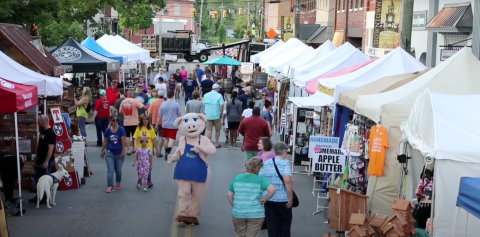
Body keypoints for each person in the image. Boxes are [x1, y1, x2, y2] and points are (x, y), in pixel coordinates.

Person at [227, 157, 276, 237]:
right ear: (259, 168)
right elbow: (272, 190)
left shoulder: (237, 178)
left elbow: (229, 195)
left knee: (239, 234)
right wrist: (265, 198)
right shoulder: (261, 180)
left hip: (239, 212)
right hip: (256, 213)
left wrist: (234, 204)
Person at [259, 142, 294, 237]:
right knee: (285, 225)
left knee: (272, 225)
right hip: (283, 200)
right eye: (286, 151)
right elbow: (287, 181)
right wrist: (290, 198)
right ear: (283, 151)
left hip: (269, 198)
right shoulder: (285, 163)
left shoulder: (267, 163)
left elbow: (260, 179)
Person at [29, 115, 56, 203]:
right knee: (37, 179)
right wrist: (37, 157)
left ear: (44, 122)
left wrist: (46, 161)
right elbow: (39, 144)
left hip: (46, 160)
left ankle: (45, 198)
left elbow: (50, 149)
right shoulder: (42, 131)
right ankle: (38, 196)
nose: (38, 124)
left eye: (39, 122)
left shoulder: (50, 133)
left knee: (44, 180)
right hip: (40, 159)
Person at [100, 115, 127, 193]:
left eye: (116, 120)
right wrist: (102, 151)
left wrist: (123, 151)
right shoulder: (108, 130)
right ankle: (110, 186)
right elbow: (105, 141)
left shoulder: (121, 130)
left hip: (119, 153)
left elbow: (123, 142)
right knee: (110, 169)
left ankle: (118, 182)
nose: (115, 121)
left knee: (118, 170)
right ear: (110, 121)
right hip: (109, 152)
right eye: (113, 120)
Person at [119, 90, 147, 155]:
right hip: (134, 121)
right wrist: (147, 107)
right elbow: (143, 107)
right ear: (131, 94)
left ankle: (128, 149)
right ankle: (135, 148)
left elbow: (120, 111)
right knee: (135, 136)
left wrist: (125, 113)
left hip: (126, 121)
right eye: (133, 94)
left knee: (127, 136)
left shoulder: (123, 101)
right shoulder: (135, 101)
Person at [156, 90, 182, 159]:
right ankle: (168, 152)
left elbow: (159, 115)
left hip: (165, 124)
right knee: (172, 139)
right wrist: (179, 123)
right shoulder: (176, 104)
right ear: (173, 96)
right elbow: (179, 115)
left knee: (166, 139)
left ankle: (165, 151)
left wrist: (156, 124)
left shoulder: (163, 104)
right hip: (173, 124)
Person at [133, 114, 156, 188]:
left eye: (147, 119)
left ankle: (148, 180)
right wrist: (135, 146)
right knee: (140, 166)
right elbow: (135, 138)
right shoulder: (139, 128)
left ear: (149, 120)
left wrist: (157, 148)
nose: (145, 121)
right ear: (141, 120)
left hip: (148, 150)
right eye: (144, 119)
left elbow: (153, 139)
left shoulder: (151, 129)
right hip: (140, 150)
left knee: (148, 166)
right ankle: (139, 179)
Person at [203, 84, 224, 148]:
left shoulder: (206, 95)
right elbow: (222, 105)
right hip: (216, 114)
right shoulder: (219, 95)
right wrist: (221, 112)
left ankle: (209, 143)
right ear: (216, 88)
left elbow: (203, 104)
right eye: (218, 88)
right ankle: (217, 143)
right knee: (217, 129)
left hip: (208, 115)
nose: (219, 89)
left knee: (209, 130)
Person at [149, 90, 166, 158]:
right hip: (163, 122)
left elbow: (149, 113)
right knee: (161, 137)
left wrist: (150, 121)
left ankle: (152, 150)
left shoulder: (153, 102)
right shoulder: (165, 103)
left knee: (153, 137)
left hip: (154, 121)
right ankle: (158, 152)